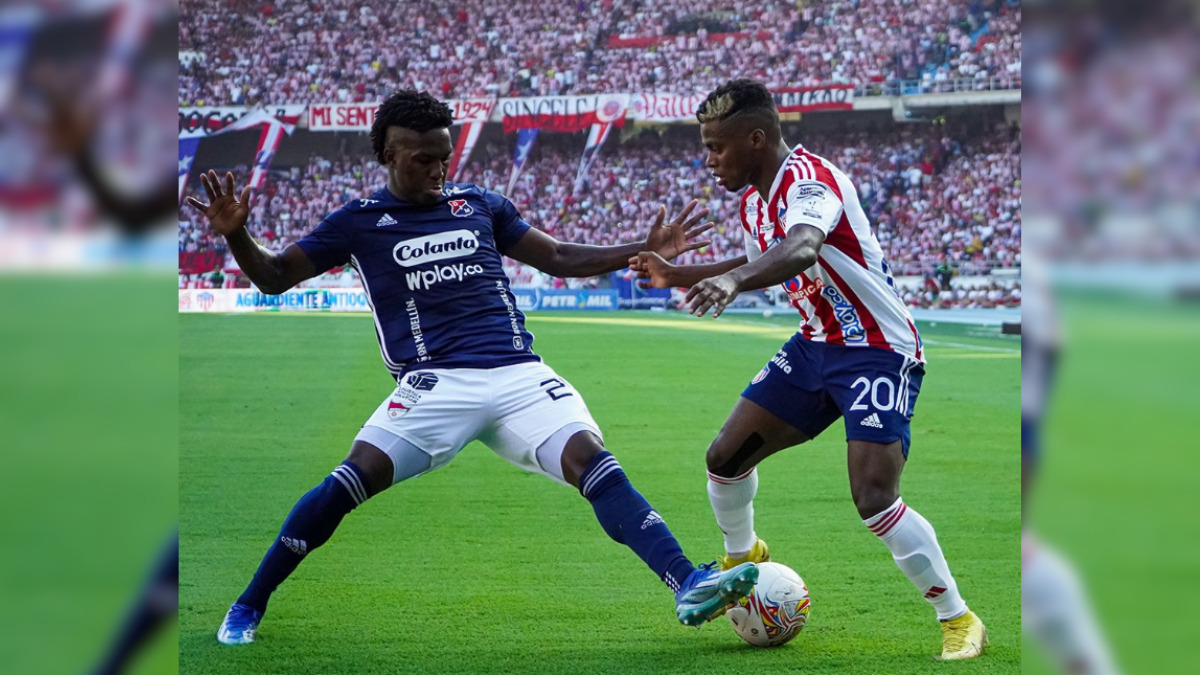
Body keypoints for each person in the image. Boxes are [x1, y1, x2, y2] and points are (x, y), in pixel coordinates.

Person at [184, 89, 759, 646]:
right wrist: (238, 236)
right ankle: (248, 603)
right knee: (346, 484)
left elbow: (558, 257)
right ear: (387, 154)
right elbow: (274, 276)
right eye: (423, 159)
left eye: (444, 157)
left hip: (518, 374)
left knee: (593, 463)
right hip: (434, 384)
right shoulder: (357, 222)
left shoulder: (480, 205)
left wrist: (641, 248)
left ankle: (687, 581)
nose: (438, 170)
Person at [629, 79, 986, 660]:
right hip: (817, 344)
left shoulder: (809, 180)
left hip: (876, 347)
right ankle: (744, 563)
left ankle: (959, 618)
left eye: (716, 146)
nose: (708, 158)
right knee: (725, 458)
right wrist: (677, 274)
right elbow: (755, 259)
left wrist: (732, 281)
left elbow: (800, 249)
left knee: (874, 496)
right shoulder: (753, 200)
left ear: (756, 138)